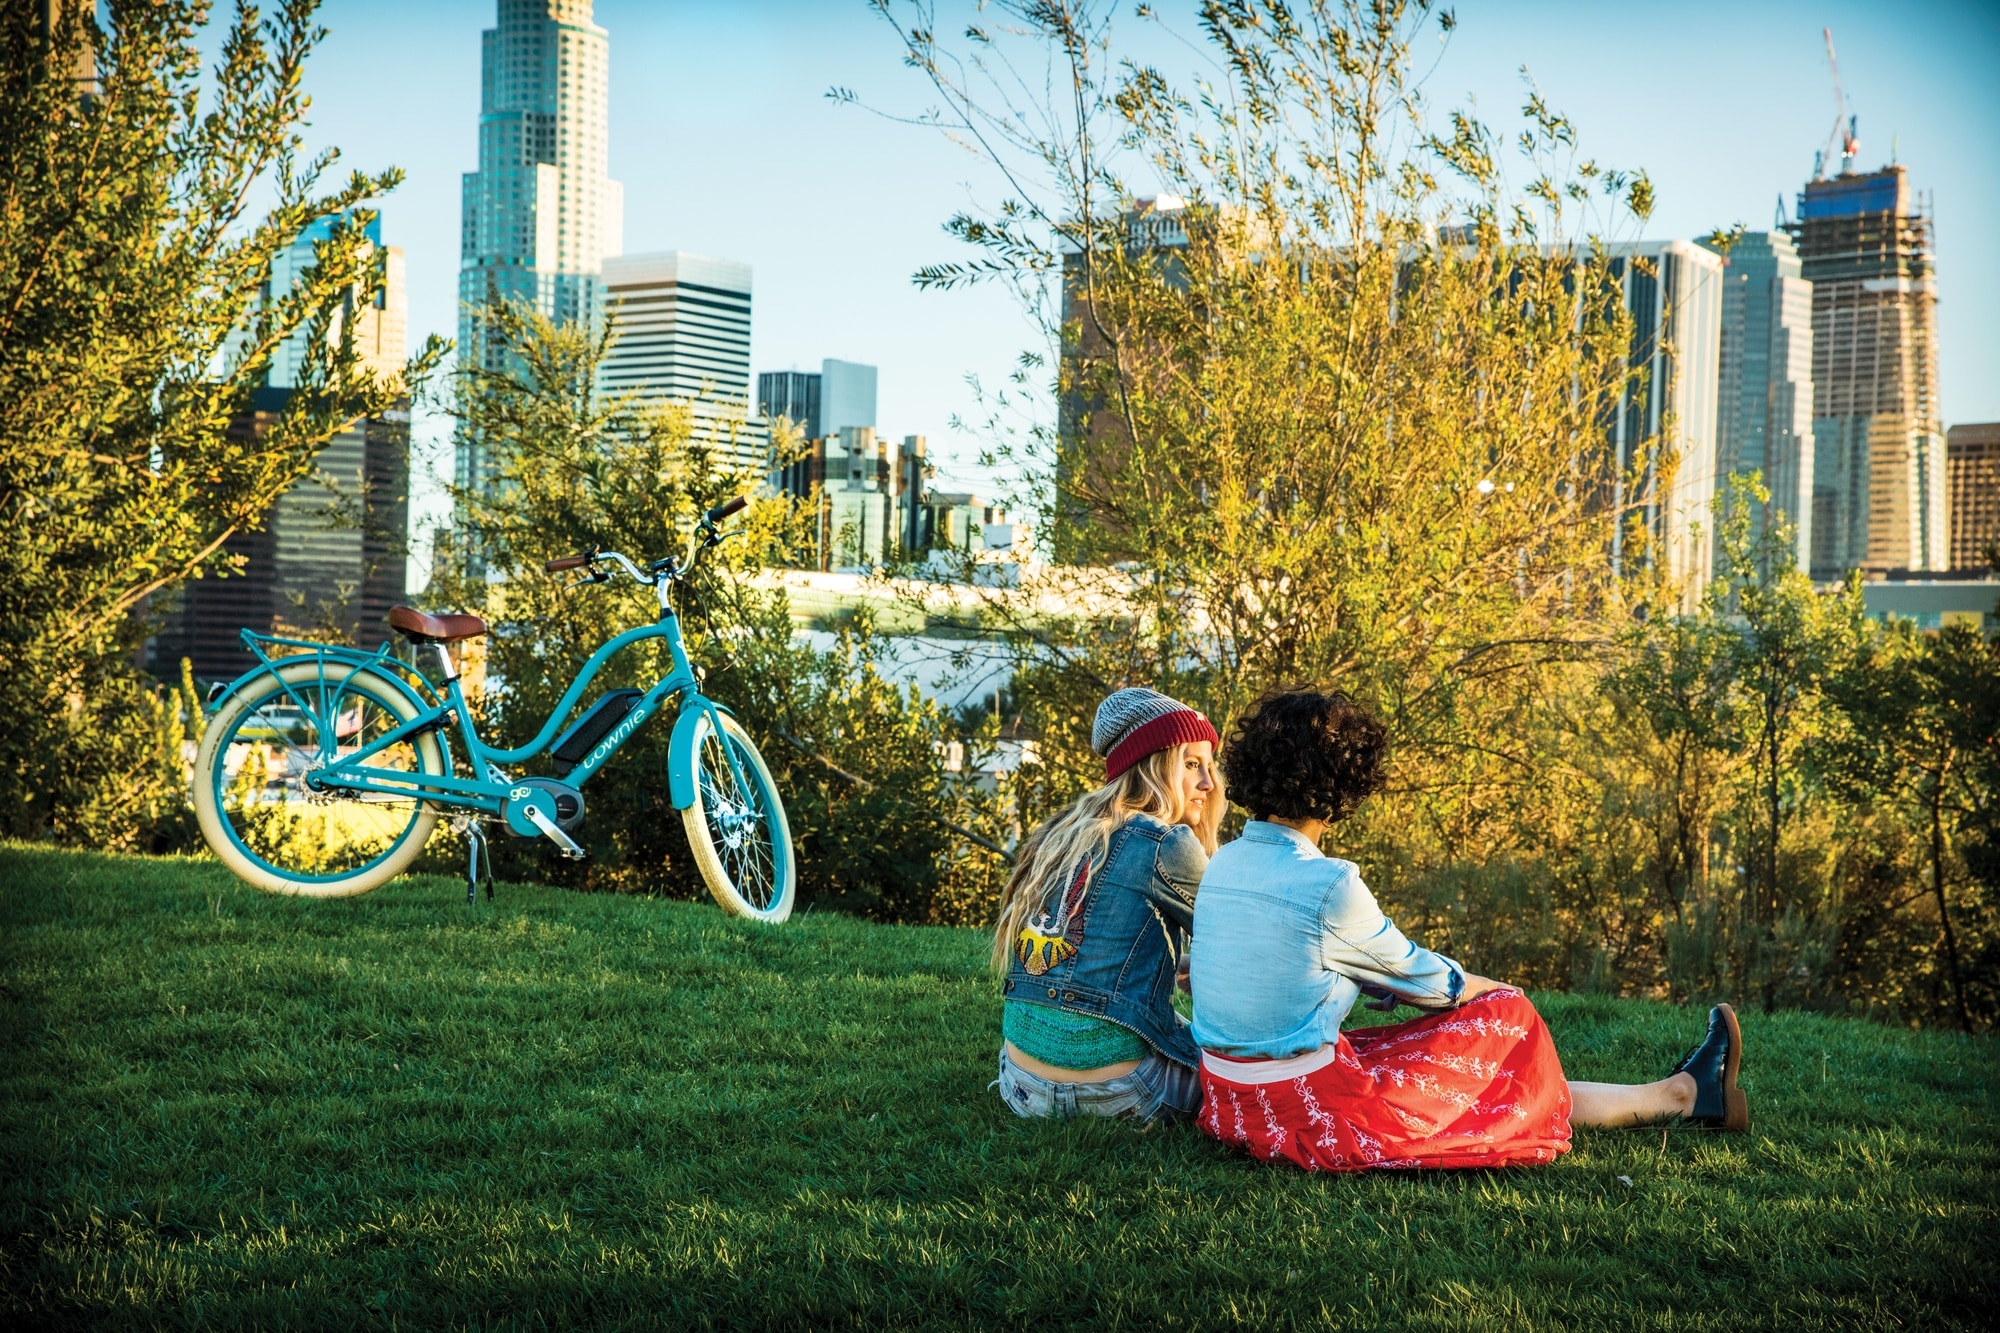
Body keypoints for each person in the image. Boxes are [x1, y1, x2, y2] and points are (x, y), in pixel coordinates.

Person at [1188, 689, 1749, 1171]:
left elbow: (1285, 966)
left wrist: (1374, 980)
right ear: (1343, 788)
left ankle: (1679, 1096)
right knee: (1511, 1013)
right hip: (1313, 1115)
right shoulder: (1330, 883)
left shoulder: (1225, 863)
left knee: (1481, 1083)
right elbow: (1433, 985)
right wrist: (1491, 989)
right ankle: (1683, 1096)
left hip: (1233, 1105)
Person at [993, 686, 1224, 1123]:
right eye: (1192, 765)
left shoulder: (1061, 832)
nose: (1208, 784)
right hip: (1120, 1093)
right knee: (1242, 1069)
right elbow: (1241, 945)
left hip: (1020, 1085)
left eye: (1209, 767)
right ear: (1153, 766)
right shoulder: (1166, 841)